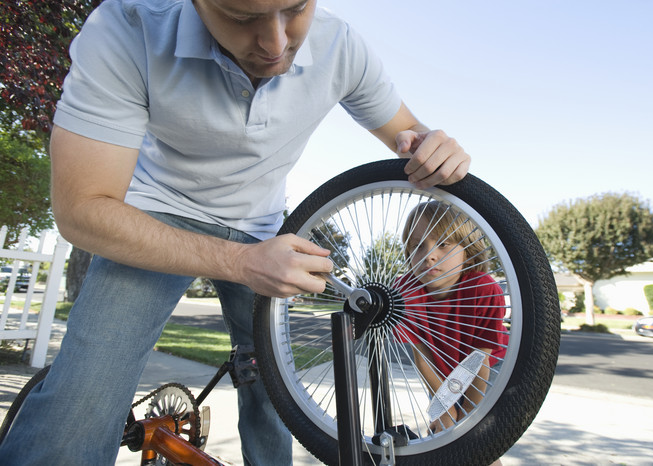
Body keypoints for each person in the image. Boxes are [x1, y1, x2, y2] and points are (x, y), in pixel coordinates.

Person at [0, 1, 471, 465]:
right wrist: (239, 262)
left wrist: (432, 147)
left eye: (295, 8)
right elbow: (81, 211)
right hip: (155, 217)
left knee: (276, 398)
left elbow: (407, 132)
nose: (275, 43)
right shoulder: (127, 28)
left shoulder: (340, 46)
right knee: (81, 404)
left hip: (263, 227)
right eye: (243, 18)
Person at [396, 201, 509, 440]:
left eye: (443, 243)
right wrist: (445, 410)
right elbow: (422, 354)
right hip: (440, 376)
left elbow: (481, 358)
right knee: (445, 440)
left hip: (487, 372)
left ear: (468, 249)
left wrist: (467, 420)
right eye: (417, 246)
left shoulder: (483, 289)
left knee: (477, 445)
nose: (429, 255)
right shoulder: (406, 292)